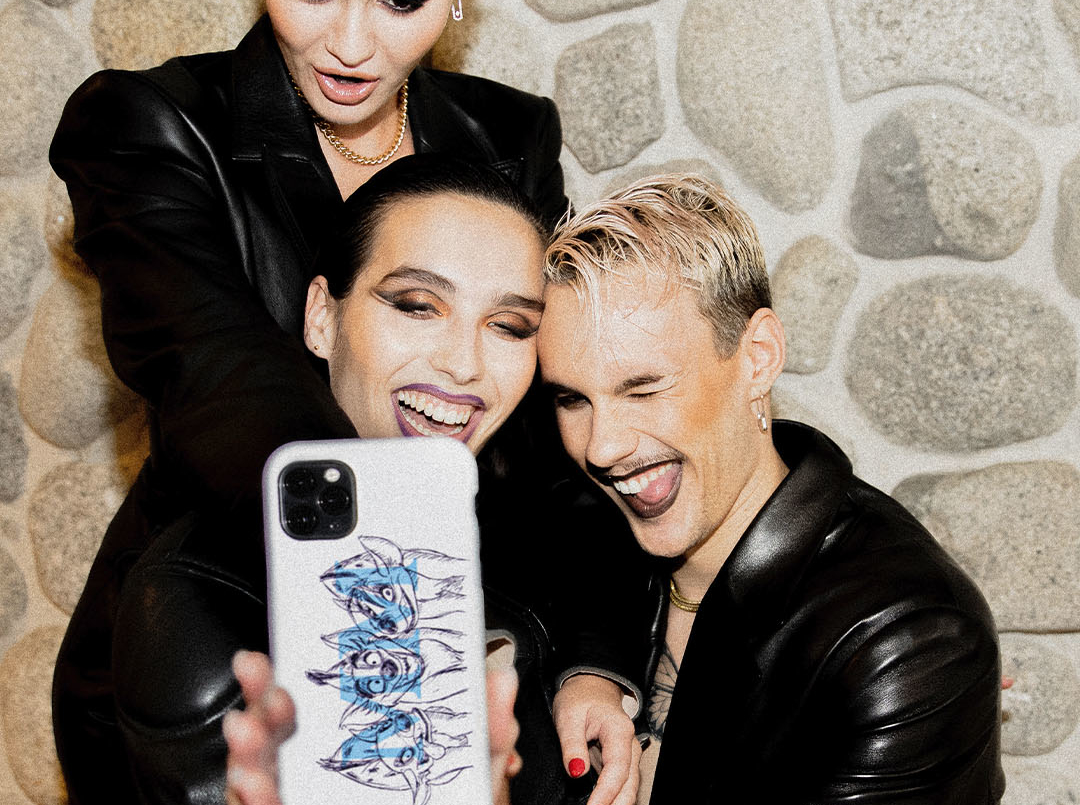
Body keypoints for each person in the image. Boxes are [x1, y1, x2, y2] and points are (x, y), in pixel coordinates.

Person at [48, 0, 646, 797]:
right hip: (216, 618)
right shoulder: (150, 122)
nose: (353, 44)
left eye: (400, 0)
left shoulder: (509, 135)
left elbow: (546, 436)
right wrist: (406, 630)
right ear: (318, 313)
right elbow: (218, 373)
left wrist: (593, 660)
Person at [534, 173, 1005, 804]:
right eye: (572, 398)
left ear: (757, 357)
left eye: (643, 389)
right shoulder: (583, 523)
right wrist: (588, 672)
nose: (601, 447)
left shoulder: (907, 641)